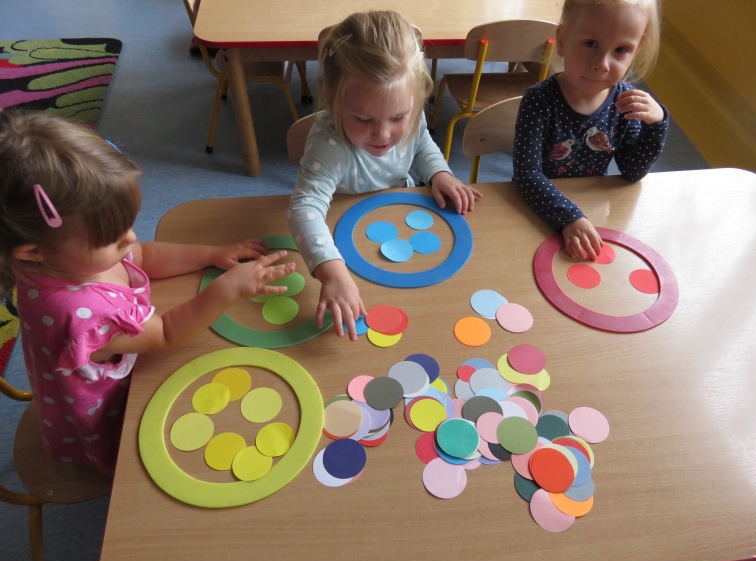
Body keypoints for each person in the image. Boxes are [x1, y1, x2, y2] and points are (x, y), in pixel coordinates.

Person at [0, 110, 295, 477]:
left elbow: (140, 255)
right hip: (106, 413)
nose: (131, 238)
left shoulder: (60, 258)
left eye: (128, 226)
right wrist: (228, 288)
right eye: (113, 238)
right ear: (33, 252)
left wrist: (210, 253)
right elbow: (166, 332)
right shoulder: (85, 314)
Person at [288, 10, 481, 341]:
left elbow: (421, 145)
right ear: (333, 100)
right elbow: (304, 208)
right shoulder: (328, 144)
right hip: (344, 234)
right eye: (364, 120)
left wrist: (439, 173)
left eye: (398, 118)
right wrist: (332, 273)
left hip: (398, 222)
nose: (383, 133)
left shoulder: (410, 113)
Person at [512, 0, 669, 260]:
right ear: (562, 40)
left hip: (589, 212)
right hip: (538, 210)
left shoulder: (624, 102)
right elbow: (527, 174)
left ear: (636, 51)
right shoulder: (539, 100)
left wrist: (657, 124)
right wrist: (569, 216)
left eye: (621, 50)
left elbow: (632, 171)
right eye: (591, 44)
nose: (602, 64)